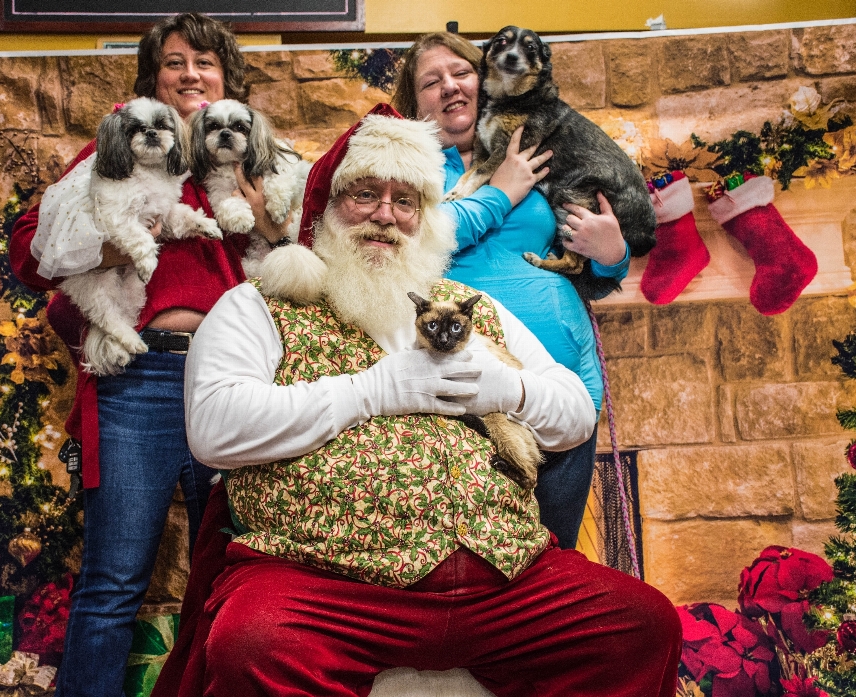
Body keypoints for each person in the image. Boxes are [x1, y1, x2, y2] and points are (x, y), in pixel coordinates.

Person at [172, 105, 681, 696]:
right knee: (254, 642)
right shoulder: (257, 306)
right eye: (365, 194)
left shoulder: (468, 305)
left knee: (641, 626)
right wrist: (367, 392)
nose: (386, 215)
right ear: (325, 210)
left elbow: (573, 411)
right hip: (327, 584)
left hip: (505, 579)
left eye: (406, 200)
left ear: (425, 218)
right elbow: (213, 429)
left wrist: (507, 388)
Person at [8, 13, 289, 697]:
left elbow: (311, 253)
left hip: (236, 379)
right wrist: (120, 236)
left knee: (239, 574)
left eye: (205, 62)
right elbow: (28, 250)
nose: (190, 74)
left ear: (227, 78)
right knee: (113, 580)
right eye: (174, 62)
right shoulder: (119, 148)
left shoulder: (254, 152)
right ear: (152, 79)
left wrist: (268, 212)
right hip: (141, 378)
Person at [390, 32, 631, 550]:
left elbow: (588, 261)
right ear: (415, 104)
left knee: (558, 561)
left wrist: (612, 254)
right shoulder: (409, 169)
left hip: (567, 388)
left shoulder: (532, 145)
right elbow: (421, 236)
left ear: (488, 78)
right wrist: (500, 191)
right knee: (482, 564)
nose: (450, 87)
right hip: (468, 395)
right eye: (431, 82)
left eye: (461, 73)